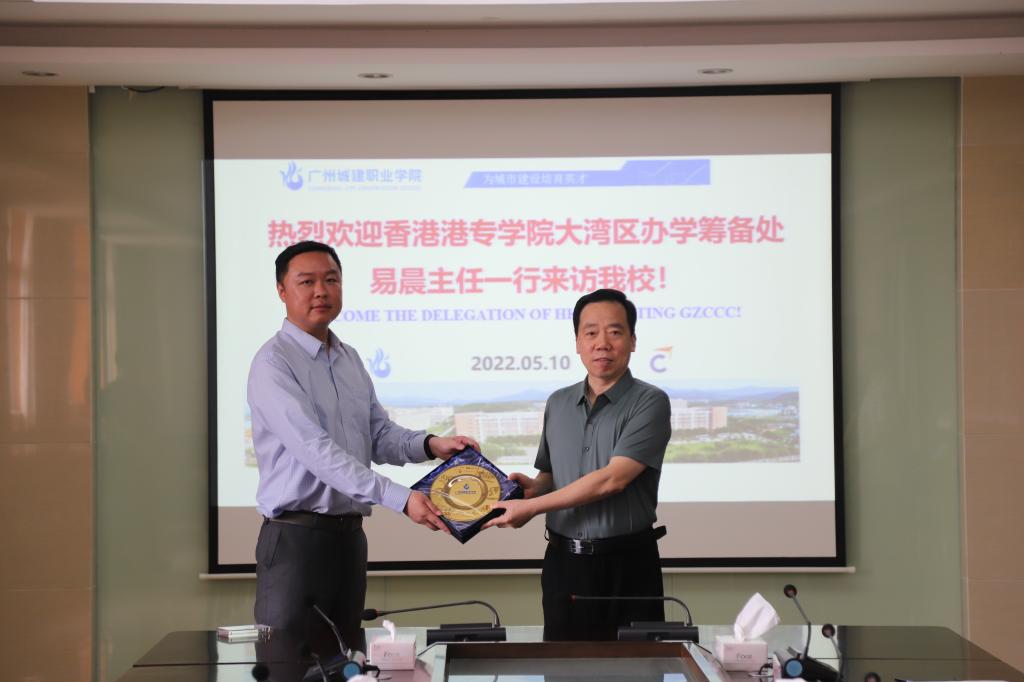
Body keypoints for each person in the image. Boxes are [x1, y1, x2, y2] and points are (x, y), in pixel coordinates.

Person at [247, 240, 477, 652]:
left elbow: (378, 434)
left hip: (349, 541)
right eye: (307, 282)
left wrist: (431, 445)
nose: (321, 291)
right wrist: (401, 499)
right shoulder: (273, 363)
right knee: (288, 664)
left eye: (331, 280)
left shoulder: (348, 358)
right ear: (282, 290)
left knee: (348, 664)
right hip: (295, 543)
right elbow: (316, 451)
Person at [484, 288, 671, 641]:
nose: (602, 343)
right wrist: (532, 488)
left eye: (614, 332)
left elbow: (612, 480)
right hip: (564, 565)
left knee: (638, 665)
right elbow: (552, 474)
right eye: (591, 333)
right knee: (561, 663)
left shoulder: (650, 402)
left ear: (633, 341)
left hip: (628, 565)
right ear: (577, 343)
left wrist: (532, 507)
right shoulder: (558, 403)